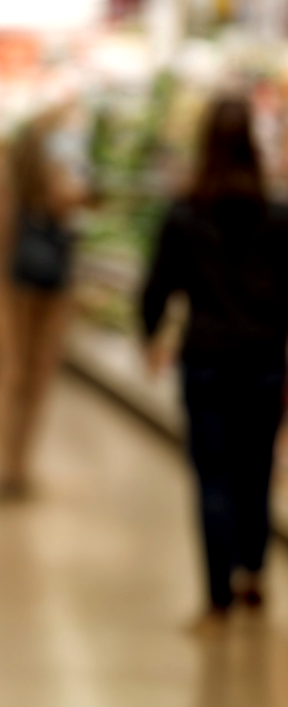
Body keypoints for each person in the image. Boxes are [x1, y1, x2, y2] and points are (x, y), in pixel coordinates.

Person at [140, 95, 288, 630]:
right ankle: (254, 574)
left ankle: (217, 597)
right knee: (256, 471)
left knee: (213, 479)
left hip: (205, 358)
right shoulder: (277, 215)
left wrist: (150, 336)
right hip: (265, 357)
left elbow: (157, 287)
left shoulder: (184, 214)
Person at [0, 107, 85, 501]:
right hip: (48, 287)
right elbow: (73, 209)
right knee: (33, 378)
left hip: (10, 284)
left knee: (8, 376)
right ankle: (18, 464)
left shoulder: (3, 172)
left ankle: (4, 464)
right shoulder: (58, 175)